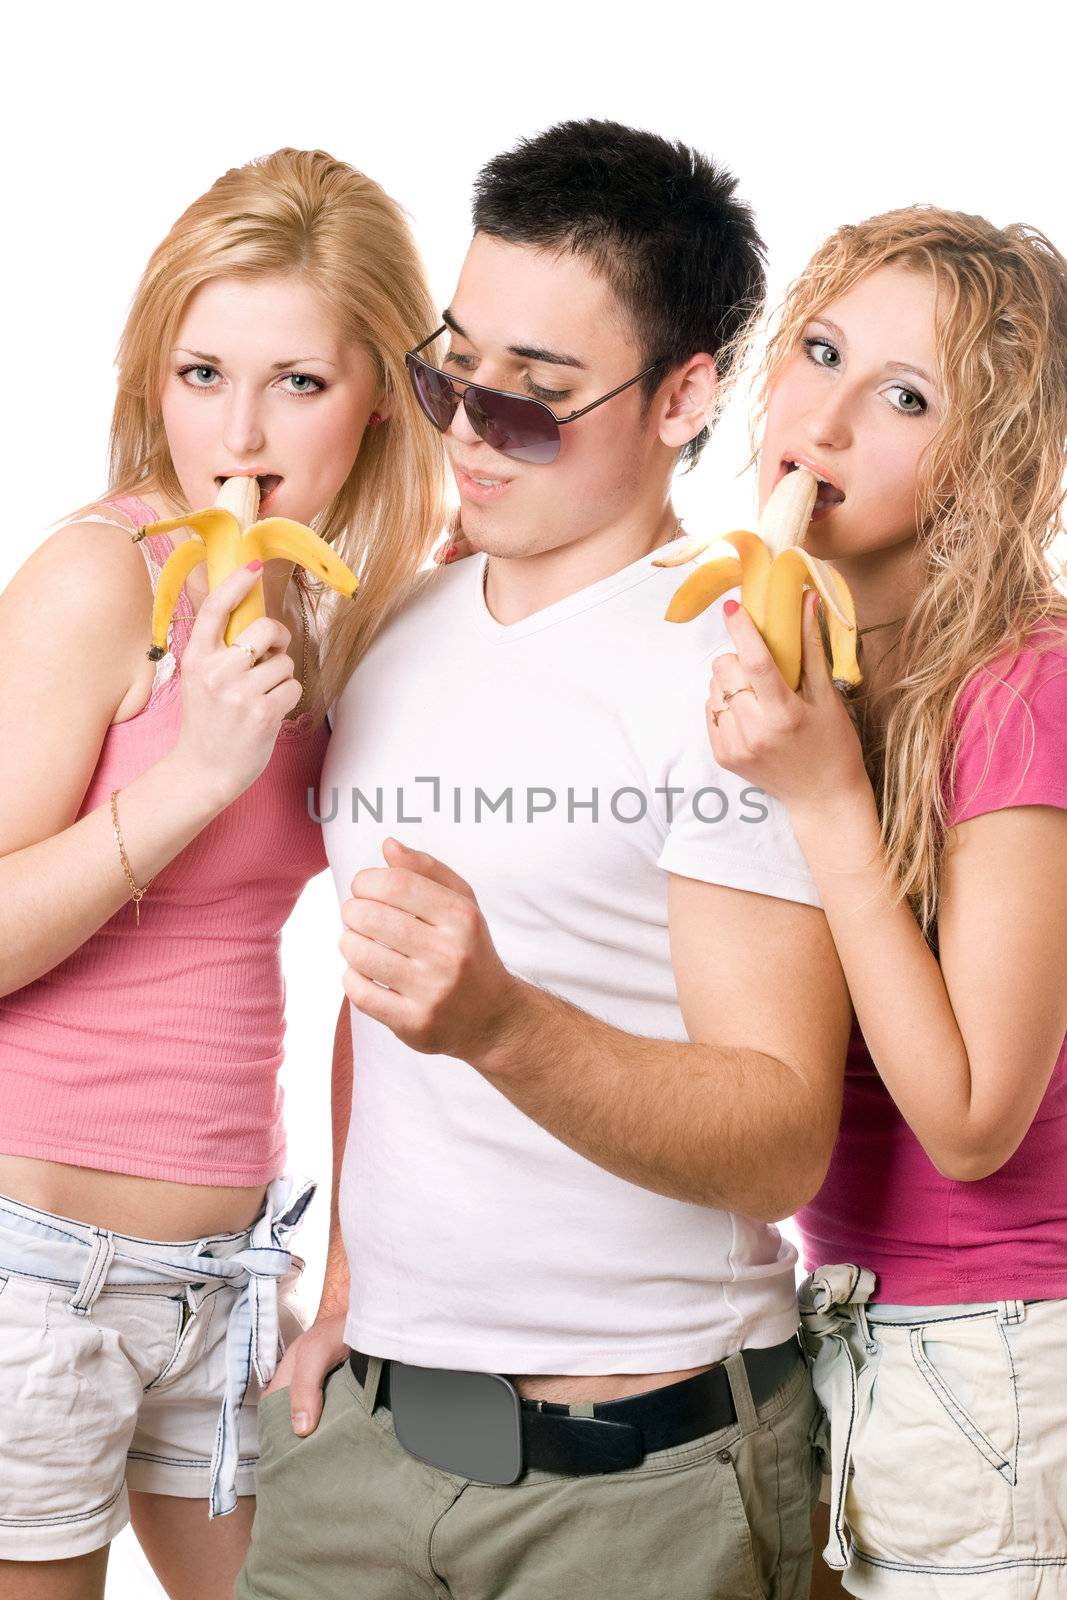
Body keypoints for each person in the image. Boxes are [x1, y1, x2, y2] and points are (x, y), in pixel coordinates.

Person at [236, 119, 852, 1600]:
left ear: (687, 394)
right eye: (453, 373)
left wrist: (504, 1025)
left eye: (537, 400)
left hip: (636, 1484)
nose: (466, 431)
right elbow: (382, 997)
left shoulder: (737, 670)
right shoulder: (394, 629)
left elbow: (780, 1136)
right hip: (358, 1445)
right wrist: (339, 1295)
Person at [0, 146, 444, 1600]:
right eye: (201, 374)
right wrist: (194, 776)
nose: (237, 435)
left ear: (381, 391)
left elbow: (381, 975)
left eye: (297, 384)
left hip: (234, 1275)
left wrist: (353, 1270)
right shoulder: (102, 578)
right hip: (31, 1275)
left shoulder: (351, 605)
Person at [697, 206, 1067, 1598]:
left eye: (904, 398)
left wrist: (829, 802)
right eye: (819, 352)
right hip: (839, 1329)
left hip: (995, 1351)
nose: (827, 422)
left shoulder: (1021, 685)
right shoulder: (798, 655)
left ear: (983, 465)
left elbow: (972, 1121)